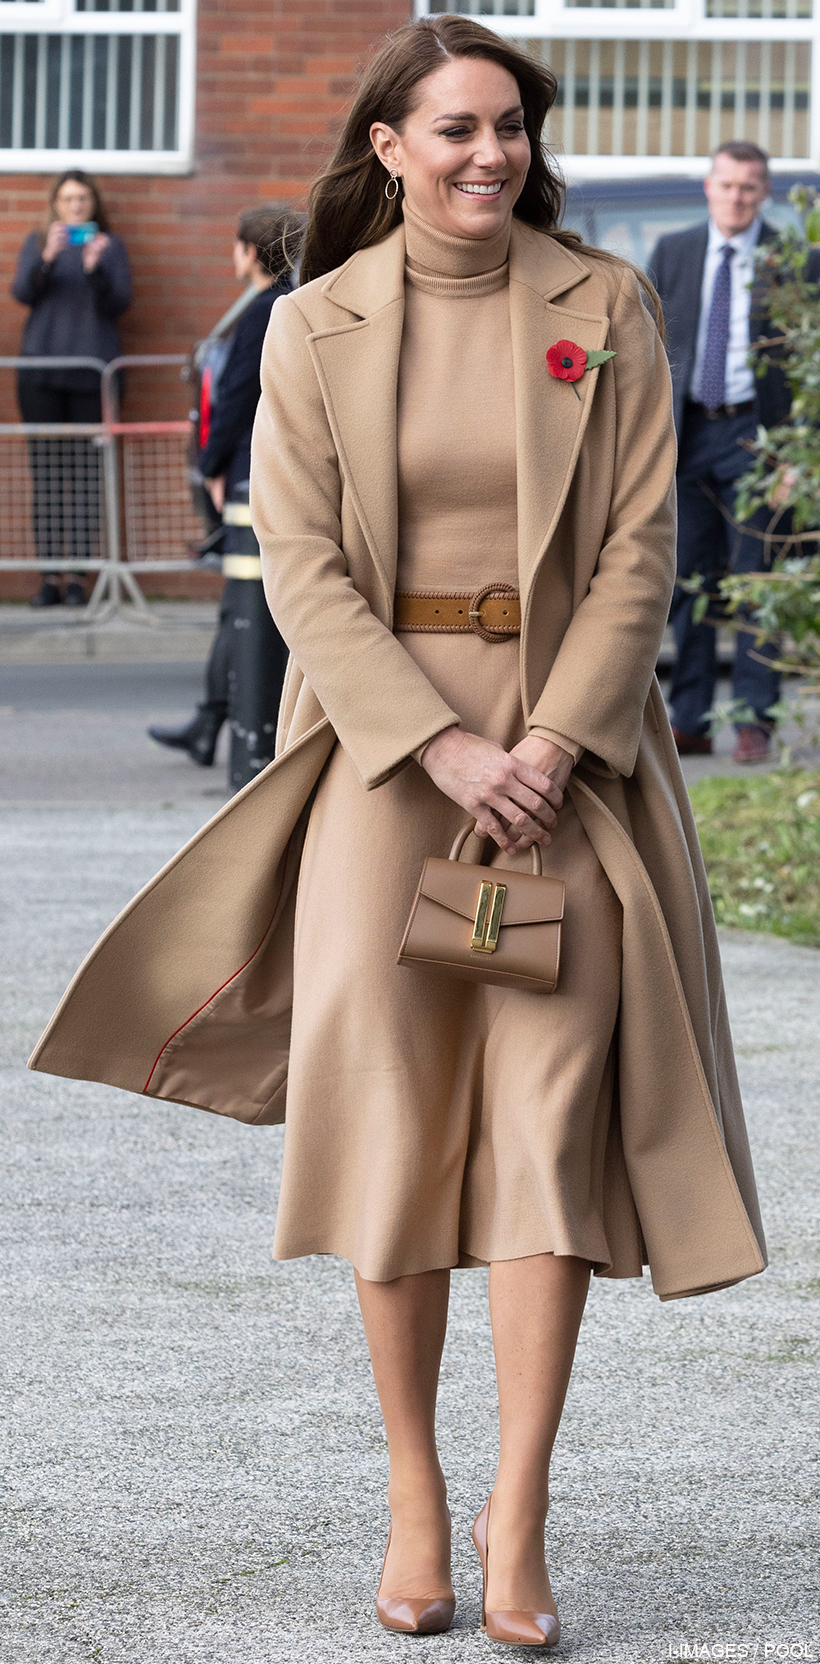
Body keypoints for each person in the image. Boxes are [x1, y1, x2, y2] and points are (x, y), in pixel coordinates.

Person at [30, 16, 767, 1647]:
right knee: (394, 1120)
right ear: (388, 145)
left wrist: (552, 740)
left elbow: (642, 551)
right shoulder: (313, 326)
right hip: (385, 773)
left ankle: (520, 1515)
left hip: (572, 769)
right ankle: (417, 1496)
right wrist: (438, 742)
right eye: (455, 129)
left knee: (548, 1127)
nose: (490, 153)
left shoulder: (609, 304)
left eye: (509, 125)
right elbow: (301, 566)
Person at [649, 141, 815, 764]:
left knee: (755, 580)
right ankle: (690, 717)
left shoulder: (795, 260)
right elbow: (650, 346)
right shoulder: (675, 251)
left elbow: (808, 364)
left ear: (765, 193)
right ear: (708, 187)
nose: (738, 197)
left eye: (750, 187)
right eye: (728, 185)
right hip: (688, 436)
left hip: (759, 440)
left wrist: (794, 457)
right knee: (689, 580)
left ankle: (753, 719)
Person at [148, 207, 295, 793]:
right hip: (251, 466)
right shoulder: (282, 303)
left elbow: (238, 393)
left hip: (243, 470)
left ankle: (227, 728)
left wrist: (211, 465)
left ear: (250, 250)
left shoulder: (264, 309)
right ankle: (211, 721)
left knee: (247, 603)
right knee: (239, 604)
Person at [12, 170, 132, 609]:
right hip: (41, 376)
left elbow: (120, 302)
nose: (76, 205)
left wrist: (94, 269)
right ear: (56, 204)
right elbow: (21, 292)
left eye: (83, 198)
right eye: (67, 198)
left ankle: (79, 579)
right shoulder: (39, 240)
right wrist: (47, 257)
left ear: (93, 204)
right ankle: (48, 579)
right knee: (45, 478)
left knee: (85, 480)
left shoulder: (109, 247)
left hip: (92, 377)